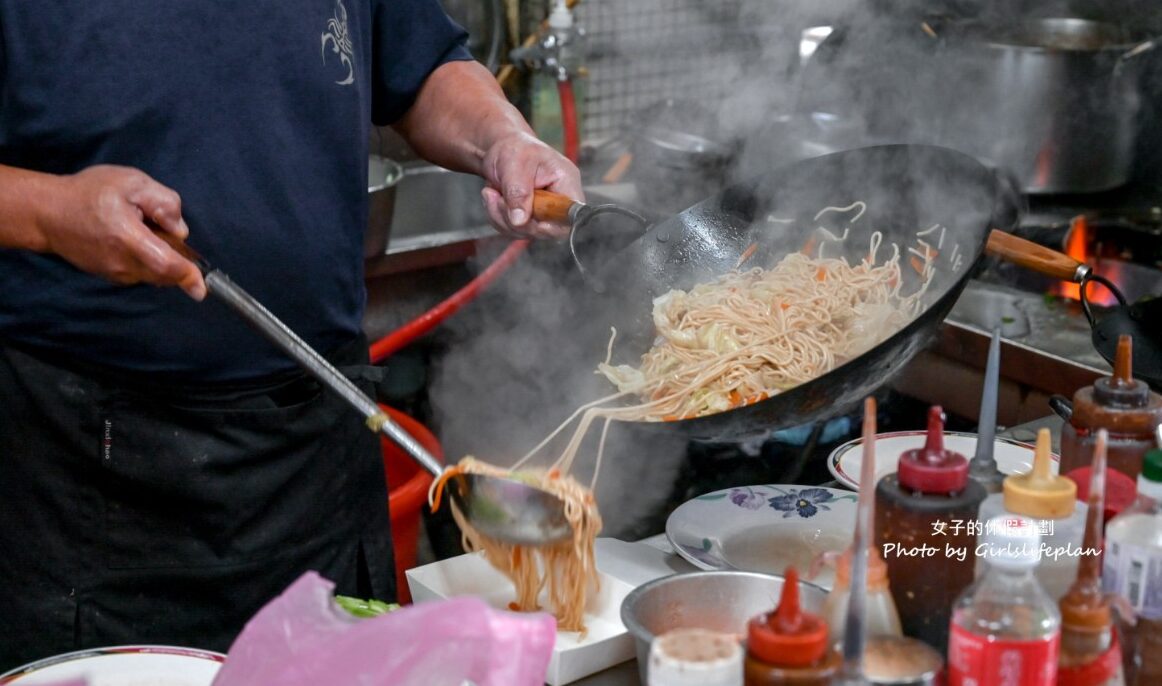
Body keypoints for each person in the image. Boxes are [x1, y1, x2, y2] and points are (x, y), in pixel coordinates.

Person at [0, 0, 582, 669]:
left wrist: (504, 139)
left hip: (319, 439)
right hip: (92, 469)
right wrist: (49, 213)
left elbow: (421, 67)